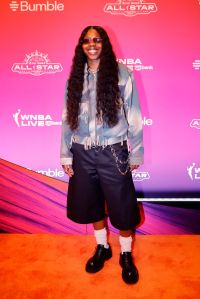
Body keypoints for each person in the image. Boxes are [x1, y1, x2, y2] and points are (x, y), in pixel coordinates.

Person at [60, 25, 144, 284]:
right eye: (87, 40)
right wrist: (66, 154)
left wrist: (136, 151)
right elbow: (67, 118)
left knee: (123, 207)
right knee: (92, 203)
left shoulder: (122, 74)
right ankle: (102, 247)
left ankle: (126, 253)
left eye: (97, 40)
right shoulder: (75, 77)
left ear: (104, 43)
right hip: (82, 152)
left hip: (114, 153)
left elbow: (135, 116)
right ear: (81, 46)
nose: (92, 44)